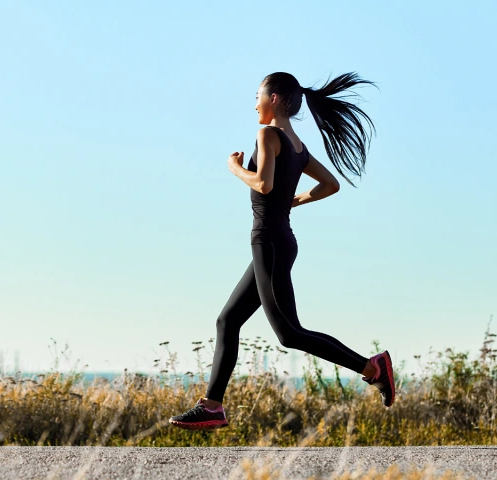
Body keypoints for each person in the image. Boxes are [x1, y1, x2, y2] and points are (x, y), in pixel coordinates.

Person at [168, 72, 394, 431]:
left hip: (269, 240)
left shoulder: (267, 134)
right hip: (279, 240)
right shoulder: (298, 147)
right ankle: (212, 405)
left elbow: (263, 183)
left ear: (274, 98)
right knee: (227, 321)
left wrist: (234, 168)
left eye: (257, 95)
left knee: (289, 334)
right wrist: (294, 201)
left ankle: (373, 368)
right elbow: (330, 185)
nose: (254, 102)